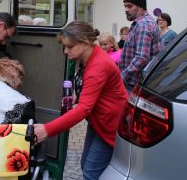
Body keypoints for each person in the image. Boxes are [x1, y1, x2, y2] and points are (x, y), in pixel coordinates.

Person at [34, 21, 128, 180]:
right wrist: (77, 96)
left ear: (84, 43)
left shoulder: (98, 66)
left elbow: (84, 109)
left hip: (109, 125)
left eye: (69, 47)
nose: (65, 51)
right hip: (98, 122)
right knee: (86, 166)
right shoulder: (90, 57)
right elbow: (90, 91)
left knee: (91, 173)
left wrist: (47, 129)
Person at [119, 0, 162, 92]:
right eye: (125, 6)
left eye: (129, 6)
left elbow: (141, 57)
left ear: (141, 7)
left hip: (135, 83)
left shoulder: (143, 25)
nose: (126, 9)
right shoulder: (142, 23)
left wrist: (122, 76)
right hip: (136, 82)